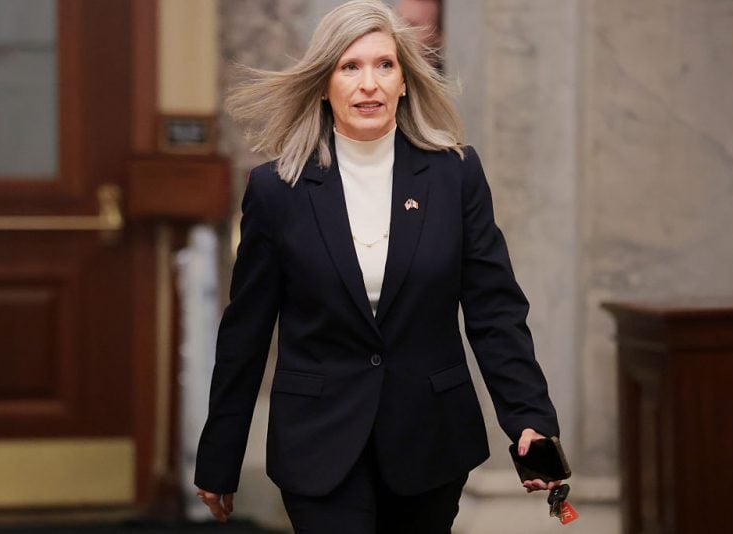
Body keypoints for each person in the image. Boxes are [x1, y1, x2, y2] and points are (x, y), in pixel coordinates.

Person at [195, 1, 561, 532]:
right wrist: (221, 453)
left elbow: (495, 310)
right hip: (317, 441)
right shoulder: (278, 192)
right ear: (324, 85)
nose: (369, 83)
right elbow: (245, 332)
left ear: (406, 82)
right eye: (350, 67)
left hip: (429, 439)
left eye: (384, 65)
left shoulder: (454, 175)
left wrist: (529, 420)